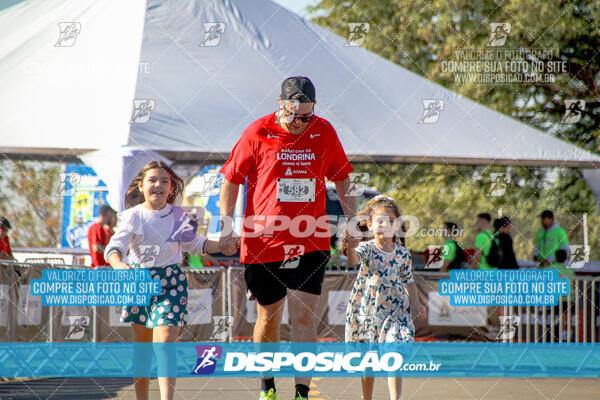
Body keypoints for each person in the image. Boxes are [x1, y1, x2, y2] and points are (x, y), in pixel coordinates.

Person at [219, 76, 356, 400]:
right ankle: (267, 385)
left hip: (310, 238)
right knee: (268, 316)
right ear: (280, 105)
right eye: (293, 115)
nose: (299, 123)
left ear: (314, 110)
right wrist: (226, 226)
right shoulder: (257, 131)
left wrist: (352, 223)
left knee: (302, 316)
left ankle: (301, 392)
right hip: (263, 241)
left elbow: (342, 178)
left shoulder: (324, 131)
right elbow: (231, 179)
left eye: (306, 117)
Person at [104, 161, 238, 400]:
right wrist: (119, 265)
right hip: (140, 281)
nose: (158, 185)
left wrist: (221, 245)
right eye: (153, 180)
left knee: (165, 343)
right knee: (143, 352)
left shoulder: (178, 215)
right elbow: (114, 247)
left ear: (171, 188)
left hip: (171, 282)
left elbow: (194, 244)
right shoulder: (132, 216)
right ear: (141, 185)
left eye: (164, 181)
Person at [341, 195, 426, 400]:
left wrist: (416, 304)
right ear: (370, 224)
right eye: (379, 220)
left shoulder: (403, 254)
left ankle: (396, 398)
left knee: (395, 352)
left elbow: (408, 281)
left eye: (390, 221)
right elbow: (353, 259)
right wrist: (352, 246)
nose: (384, 224)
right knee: (369, 360)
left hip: (396, 311)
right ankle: (367, 397)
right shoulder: (367, 248)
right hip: (369, 311)